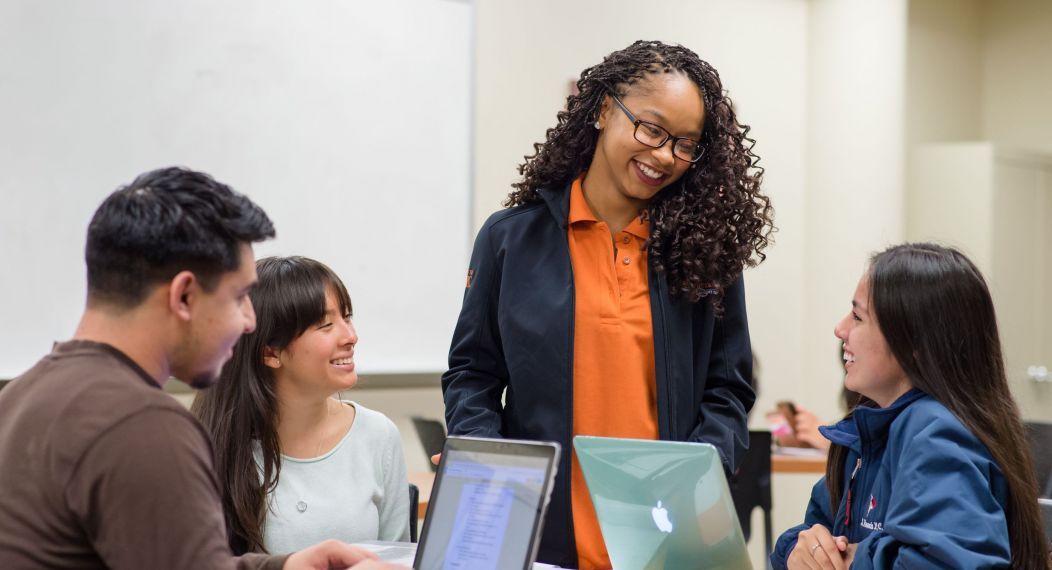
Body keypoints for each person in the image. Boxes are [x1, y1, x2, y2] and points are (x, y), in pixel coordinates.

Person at [441, 40, 774, 569]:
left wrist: (701, 471)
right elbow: (472, 374)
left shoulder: (704, 252)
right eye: (651, 128)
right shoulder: (511, 240)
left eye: (687, 144)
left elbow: (728, 387)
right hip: (540, 539)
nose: (665, 155)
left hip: (665, 541)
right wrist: (489, 461)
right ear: (602, 110)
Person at [0, 167, 403, 570]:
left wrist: (285, 567)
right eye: (239, 297)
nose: (248, 321)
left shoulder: (20, 396)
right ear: (185, 296)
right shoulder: (142, 426)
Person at [772, 243, 1050, 569]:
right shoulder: (870, 432)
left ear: (916, 343)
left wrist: (853, 560)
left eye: (858, 316)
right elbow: (814, 529)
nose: (840, 329)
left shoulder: (937, 432)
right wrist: (797, 549)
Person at [193, 256, 410, 554]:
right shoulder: (216, 445)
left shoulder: (378, 435)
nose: (351, 336)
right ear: (271, 352)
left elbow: (398, 559)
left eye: (347, 317)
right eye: (325, 325)